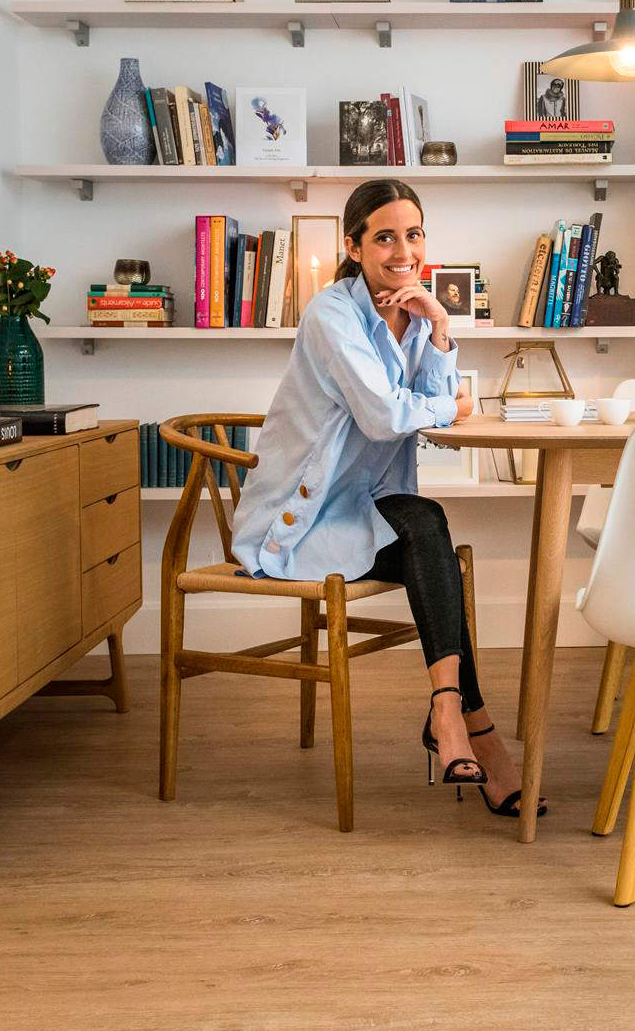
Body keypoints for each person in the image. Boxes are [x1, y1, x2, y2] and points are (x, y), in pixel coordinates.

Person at [230, 179, 541, 818]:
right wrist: (444, 403)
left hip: (367, 507)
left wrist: (442, 328)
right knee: (434, 542)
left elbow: (426, 408)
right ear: (354, 246)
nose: (404, 249)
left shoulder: (414, 310)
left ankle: (452, 716)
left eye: (414, 233)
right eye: (385, 236)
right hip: (306, 518)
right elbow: (385, 416)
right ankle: (472, 732)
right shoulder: (331, 315)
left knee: (433, 550)